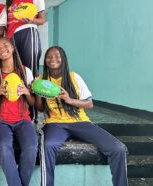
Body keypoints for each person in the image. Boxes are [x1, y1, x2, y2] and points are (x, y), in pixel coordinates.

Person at [34, 46, 128, 186]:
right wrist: (37, 93)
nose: (53, 59)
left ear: (63, 59)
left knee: (118, 148)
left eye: (57, 56)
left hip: (80, 122)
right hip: (55, 123)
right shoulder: (42, 80)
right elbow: (40, 109)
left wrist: (69, 100)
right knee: (48, 145)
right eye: (49, 56)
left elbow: (89, 104)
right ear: (45, 60)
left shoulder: (74, 77)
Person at [0, 37, 38, 186]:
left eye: (5, 46)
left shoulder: (25, 71)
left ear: (13, 48)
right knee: (3, 146)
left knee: (32, 147)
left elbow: (32, 102)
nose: (2, 50)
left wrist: (27, 92)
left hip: (23, 120)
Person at [5, 0, 46, 77]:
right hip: (11, 37)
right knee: (14, 71)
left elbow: (42, 20)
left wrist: (31, 20)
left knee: (30, 71)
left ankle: (32, 94)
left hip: (28, 31)